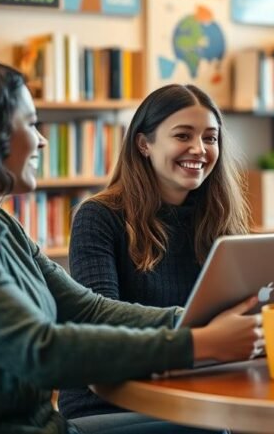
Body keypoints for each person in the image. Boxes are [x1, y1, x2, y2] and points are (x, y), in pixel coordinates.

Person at [0, 56, 259, 434]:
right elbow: (40, 350)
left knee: (218, 427)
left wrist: (193, 323)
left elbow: (85, 307)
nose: (42, 140)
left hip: (48, 426)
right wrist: (196, 342)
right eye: (29, 124)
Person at [59, 84, 251, 420]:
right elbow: (101, 329)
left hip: (198, 390)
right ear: (144, 144)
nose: (200, 149)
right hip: (111, 403)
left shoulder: (221, 217)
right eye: (183, 136)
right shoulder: (98, 216)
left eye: (210, 138)